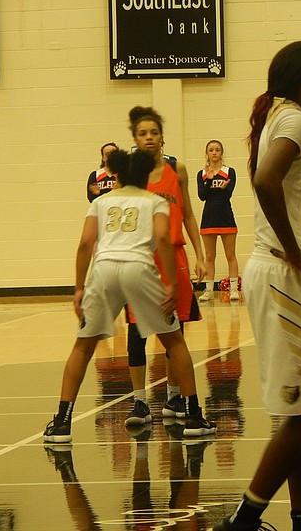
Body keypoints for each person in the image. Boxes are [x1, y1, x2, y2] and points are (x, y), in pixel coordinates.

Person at [213, 41, 301, 531]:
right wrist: (290, 248)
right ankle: (243, 521)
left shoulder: (282, 117)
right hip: (285, 275)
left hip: (292, 276)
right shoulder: (296, 121)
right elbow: (265, 181)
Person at [43, 149, 213, 444]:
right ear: (147, 175)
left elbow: (85, 243)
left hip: (105, 270)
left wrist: (79, 288)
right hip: (139, 269)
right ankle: (194, 415)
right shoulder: (154, 201)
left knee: (83, 346)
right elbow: (162, 240)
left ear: (117, 175)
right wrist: (171, 284)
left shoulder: (101, 201)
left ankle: (62, 422)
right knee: (174, 341)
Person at [124, 106, 213, 438]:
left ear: (162, 136)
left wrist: (202, 254)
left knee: (177, 333)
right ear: (135, 139)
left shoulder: (178, 169)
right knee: (137, 332)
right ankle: (139, 402)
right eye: (143, 133)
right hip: (141, 260)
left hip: (174, 257)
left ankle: (175, 399)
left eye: (154, 132)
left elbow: (188, 213)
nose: (149, 138)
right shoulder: (130, 173)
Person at [197, 140, 240, 302]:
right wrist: (208, 180)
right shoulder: (202, 173)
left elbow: (228, 193)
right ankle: (208, 290)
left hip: (226, 215)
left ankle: (234, 289)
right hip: (209, 217)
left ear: (222, 153)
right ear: (207, 153)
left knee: (230, 254)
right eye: (211, 150)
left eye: (217, 150)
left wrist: (223, 188)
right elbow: (202, 196)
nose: (214, 152)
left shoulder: (229, 171)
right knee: (209, 256)